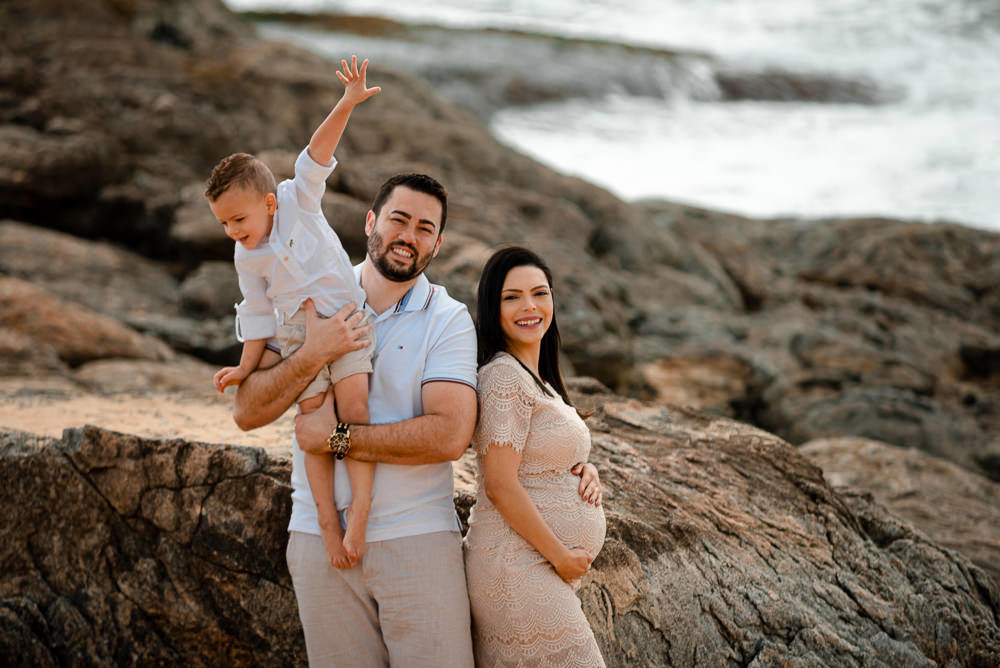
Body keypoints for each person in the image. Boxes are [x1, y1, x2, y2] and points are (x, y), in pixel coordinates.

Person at [230, 149, 478, 662]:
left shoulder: (448, 320)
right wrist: (316, 352)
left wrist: (337, 439)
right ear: (371, 221)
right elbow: (248, 410)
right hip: (317, 541)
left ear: (438, 242)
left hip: (418, 539)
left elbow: (449, 436)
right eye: (399, 220)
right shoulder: (309, 293)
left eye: (425, 228)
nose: (409, 236)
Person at [206, 56, 380, 569]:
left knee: (356, 416)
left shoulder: (297, 198)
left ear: (268, 202)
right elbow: (257, 313)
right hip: (298, 335)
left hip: (346, 321)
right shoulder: (246, 254)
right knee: (315, 427)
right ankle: (327, 518)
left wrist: (347, 102)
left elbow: (317, 152)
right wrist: (245, 364)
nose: (232, 231)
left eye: (238, 218)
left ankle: (363, 511)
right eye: (223, 224)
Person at [464, 246, 607, 666]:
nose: (529, 306)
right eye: (512, 297)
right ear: (493, 308)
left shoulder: (537, 378)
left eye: (539, 293)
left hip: (534, 565)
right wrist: (561, 557)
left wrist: (581, 469)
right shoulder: (504, 376)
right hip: (517, 566)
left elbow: (536, 458)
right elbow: (500, 484)